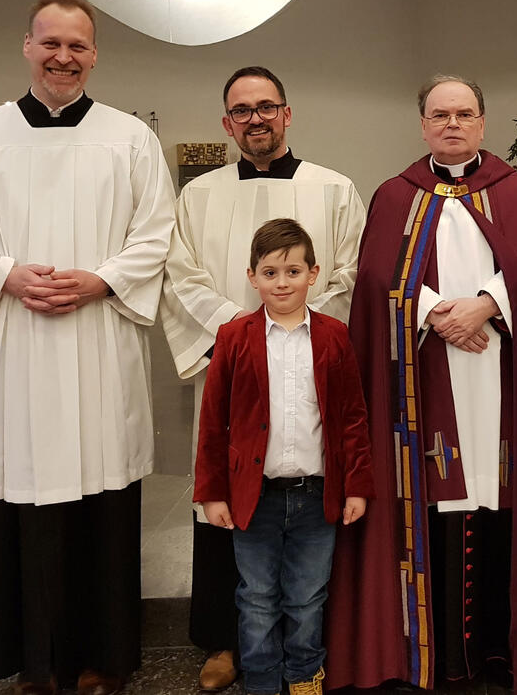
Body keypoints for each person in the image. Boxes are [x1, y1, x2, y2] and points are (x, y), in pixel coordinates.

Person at [326, 75, 517, 695]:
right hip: (425, 374)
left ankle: (508, 652)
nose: (451, 124)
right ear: (423, 124)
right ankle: (440, 657)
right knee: (439, 501)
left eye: (463, 114)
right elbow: (376, 274)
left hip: (501, 374)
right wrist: (433, 311)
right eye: (439, 115)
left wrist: (485, 305)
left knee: (501, 500)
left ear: (483, 122)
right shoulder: (394, 195)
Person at [0, 0, 175, 695]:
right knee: (26, 500)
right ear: (27, 46)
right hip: (18, 346)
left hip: (98, 342)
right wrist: (6, 275)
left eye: (78, 45)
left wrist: (101, 280)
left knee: (103, 498)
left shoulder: (129, 139)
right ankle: (34, 664)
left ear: (94, 54)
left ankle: (104, 656)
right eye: (51, 43)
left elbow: (156, 233)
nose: (63, 56)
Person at [161, 66, 365, 692]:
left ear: (287, 113)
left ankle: (308, 655)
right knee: (228, 500)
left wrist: (296, 332)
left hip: (309, 367)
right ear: (228, 123)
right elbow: (182, 274)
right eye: (241, 110)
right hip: (234, 368)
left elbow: (347, 275)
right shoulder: (198, 196)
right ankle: (225, 645)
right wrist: (242, 336)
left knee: (305, 550)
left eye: (266, 106)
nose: (255, 118)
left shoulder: (334, 189)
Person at [194, 218, 374, 695]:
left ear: (314, 274)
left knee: (308, 597)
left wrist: (357, 485)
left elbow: (353, 418)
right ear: (252, 277)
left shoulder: (335, 336)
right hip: (255, 497)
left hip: (317, 495)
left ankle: (303, 678)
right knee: (256, 598)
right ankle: (261, 682)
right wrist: (212, 494)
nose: (282, 282)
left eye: (293, 271)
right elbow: (213, 424)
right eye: (270, 272)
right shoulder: (233, 338)